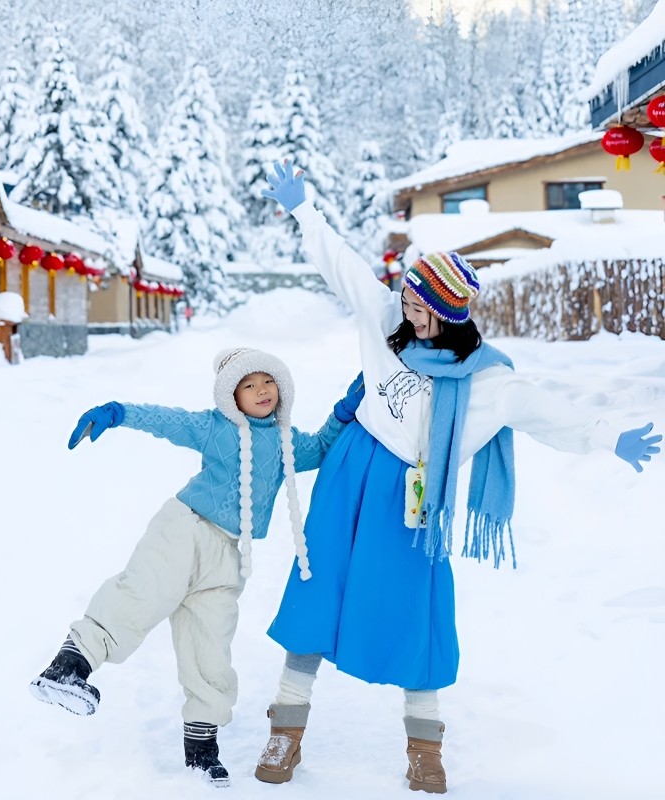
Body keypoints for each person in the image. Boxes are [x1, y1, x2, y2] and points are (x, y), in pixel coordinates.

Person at [252, 160, 662, 794]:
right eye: (408, 300)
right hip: (348, 477)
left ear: (448, 312)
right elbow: (346, 269)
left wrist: (608, 436)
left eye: (421, 306)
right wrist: (305, 211)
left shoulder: (488, 381)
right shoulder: (388, 329)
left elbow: (547, 413)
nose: (408, 311)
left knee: (417, 610)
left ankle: (425, 747)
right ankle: (287, 726)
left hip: (412, 503)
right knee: (316, 590)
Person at [28, 346, 363, 788]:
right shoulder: (214, 427)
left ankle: (201, 749)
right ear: (231, 397)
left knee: (211, 647)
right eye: (249, 385)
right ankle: (68, 669)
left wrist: (343, 412)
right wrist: (118, 413)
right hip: (185, 530)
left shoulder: (287, 442)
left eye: (268, 382)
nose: (262, 390)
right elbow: (165, 420)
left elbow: (320, 448)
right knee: (141, 596)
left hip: (229, 555)